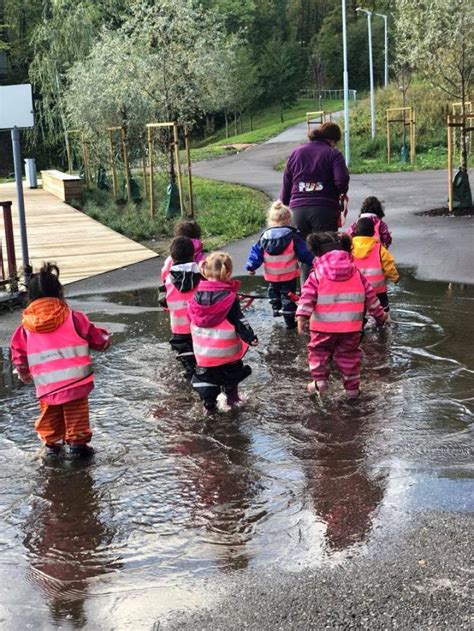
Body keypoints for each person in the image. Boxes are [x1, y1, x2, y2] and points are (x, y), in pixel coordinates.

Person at [10, 263, 110, 459]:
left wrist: (24, 373)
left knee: (50, 417)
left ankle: (52, 447)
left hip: (47, 386)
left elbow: (19, 355)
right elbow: (96, 339)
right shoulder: (74, 318)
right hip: (76, 382)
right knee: (76, 417)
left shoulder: (25, 328)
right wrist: (105, 339)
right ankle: (77, 448)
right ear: (60, 292)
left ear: (30, 297)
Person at [296, 233, 386, 399]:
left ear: (317, 253)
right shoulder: (357, 274)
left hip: (322, 328)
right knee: (349, 356)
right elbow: (371, 298)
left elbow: (307, 296)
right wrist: (380, 316)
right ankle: (352, 390)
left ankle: (320, 382)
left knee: (318, 353)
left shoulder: (316, 275)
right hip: (351, 328)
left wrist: (301, 316)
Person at [187, 252, 258, 416]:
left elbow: (190, 318)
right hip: (227, 353)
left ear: (205, 271)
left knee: (207, 380)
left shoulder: (195, 297)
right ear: (227, 273)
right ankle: (233, 400)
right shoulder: (230, 298)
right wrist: (250, 337)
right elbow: (239, 321)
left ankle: (209, 407)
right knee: (231, 378)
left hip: (204, 354)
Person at [279, 122, 349, 280]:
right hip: (324, 210)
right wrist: (337, 193)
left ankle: (306, 295)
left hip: (298, 211)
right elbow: (341, 183)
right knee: (326, 251)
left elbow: (286, 185)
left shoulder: (296, 153)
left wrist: (284, 208)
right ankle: (326, 291)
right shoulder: (333, 154)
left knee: (305, 255)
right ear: (332, 140)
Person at [245, 201, 313, 329]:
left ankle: (276, 307)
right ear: (289, 219)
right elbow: (304, 253)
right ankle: (289, 320)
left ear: (270, 220)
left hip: (272, 274)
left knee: (274, 290)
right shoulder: (293, 236)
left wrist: (251, 267)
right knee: (288, 295)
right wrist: (314, 262)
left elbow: (256, 253)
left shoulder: (264, 238)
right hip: (289, 274)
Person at [163, 236, 202, 378]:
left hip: (179, 329)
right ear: (193, 255)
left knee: (188, 364)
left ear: (172, 257)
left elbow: (163, 302)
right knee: (203, 360)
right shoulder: (202, 275)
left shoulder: (167, 280)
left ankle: (190, 380)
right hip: (200, 326)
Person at [351, 217, 399, 314]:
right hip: (377, 289)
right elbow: (388, 265)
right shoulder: (379, 248)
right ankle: (384, 323)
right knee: (383, 310)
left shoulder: (350, 247)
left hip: (356, 288)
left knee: (359, 312)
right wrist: (395, 277)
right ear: (373, 232)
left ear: (355, 231)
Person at [160, 219, 205, 284]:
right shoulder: (203, 258)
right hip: (199, 289)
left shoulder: (171, 258)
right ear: (197, 236)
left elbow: (165, 274)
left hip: (174, 287)